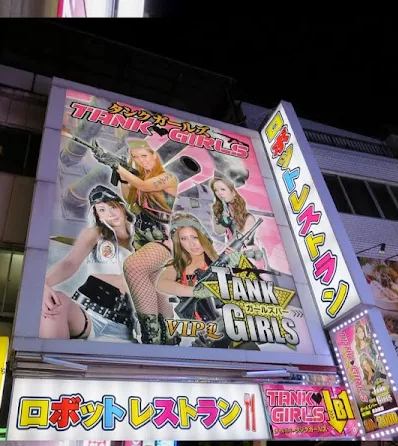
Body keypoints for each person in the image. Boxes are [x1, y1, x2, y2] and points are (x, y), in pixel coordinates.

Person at [42, 185, 139, 341]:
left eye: (112, 207)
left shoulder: (143, 239)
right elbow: (70, 263)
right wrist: (44, 285)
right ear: (97, 215)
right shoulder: (96, 234)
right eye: (102, 210)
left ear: (121, 206)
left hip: (123, 326)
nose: (110, 214)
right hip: (87, 313)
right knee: (55, 306)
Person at [155, 213, 257, 350]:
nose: (191, 244)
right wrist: (195, 291)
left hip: (231, 327)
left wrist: (238, 266)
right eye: (184, 239)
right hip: (201, 334)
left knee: (249, 349)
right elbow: (162, 283)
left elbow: (250, 290)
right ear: (178, 242)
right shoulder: (178, 265)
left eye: (195, 237)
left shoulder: (218, 255)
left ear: (203, 236)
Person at [114, 138, 181, 344]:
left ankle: (151, 335)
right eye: (135, 158)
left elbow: (143, 185)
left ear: (154, 155)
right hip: (143, 240)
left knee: (134, 267)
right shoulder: (139, 178)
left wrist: (120, 168)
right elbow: (131, 203)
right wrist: (123, 177)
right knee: (152, 284)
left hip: (164, 239)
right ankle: (168, 335)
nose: (141, 161)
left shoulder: (167, 177)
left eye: (144, 155)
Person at [209, 176, 273, 275]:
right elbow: (219, 231)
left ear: (233, 192)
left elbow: (241, 242)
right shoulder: (221, 210)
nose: (219, 193)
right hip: (233, 256)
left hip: (249, 259)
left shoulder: (248, 218)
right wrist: (220, 217)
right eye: (216, 190)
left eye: (223, 189)